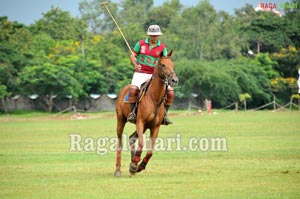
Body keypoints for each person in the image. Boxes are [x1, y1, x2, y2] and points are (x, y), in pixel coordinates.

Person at [127, 24, 175, 125]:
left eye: (157, 35)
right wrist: (135, 64)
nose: (155, 37)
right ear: (149, 35)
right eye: (153, 35)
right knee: (133, 90)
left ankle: (164, 115)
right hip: (141, 73)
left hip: (155, 76)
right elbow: (132, 56)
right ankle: (132, 113)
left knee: (170, 92)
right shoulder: (141, 44)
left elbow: (165, 61)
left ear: (159, 36)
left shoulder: (162, 47)